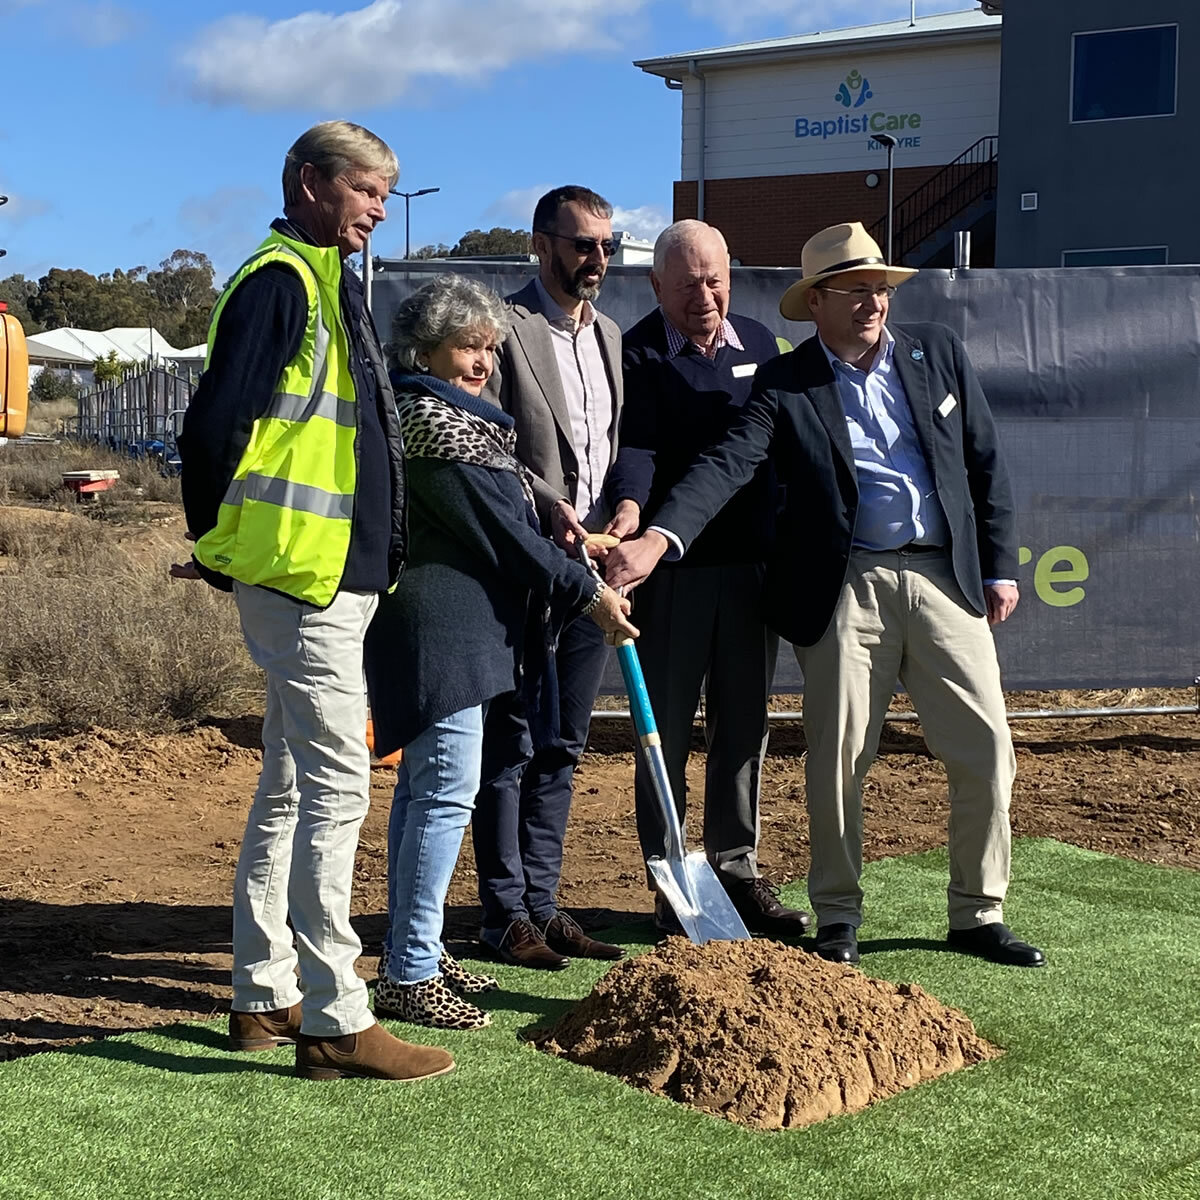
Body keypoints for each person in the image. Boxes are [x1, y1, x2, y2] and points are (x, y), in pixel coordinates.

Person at [606, 221, 1045, 969]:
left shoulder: (935, 350)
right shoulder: (786, 382)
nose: (874, 301)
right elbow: (727, 463)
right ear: (817, 303)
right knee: (838, 757)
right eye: (856, 289)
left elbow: (985, 464)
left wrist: (999, 566)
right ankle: (837, 913)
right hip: (847, 586)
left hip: (946, 577)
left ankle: (978, 913)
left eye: (880, 287)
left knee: (987, 750)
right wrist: (657, 537)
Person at [176, 121, 455, 1084]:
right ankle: (336, 1014)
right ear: (310, 183)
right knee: (339, 784)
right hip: (305, 582)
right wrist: (215, 541)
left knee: (292, 785)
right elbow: (212, 425)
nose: (380, 208)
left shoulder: (325, 280)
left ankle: (264, 996)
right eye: (369, 190)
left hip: (325, 578)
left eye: (385, 191)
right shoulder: (281, 283)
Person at [363, 274, 637, 1028]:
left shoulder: (460, 420)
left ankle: (412, 950)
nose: (481, 362)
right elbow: (505, 538)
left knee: (428, 794)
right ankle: (410, 971)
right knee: (444, 793)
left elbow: (516, 511)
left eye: (487, 347)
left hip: (457, 632)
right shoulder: (432, 423)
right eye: (466, 347)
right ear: (424, 350)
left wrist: (555, 517)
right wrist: (590, 594)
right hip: (440, 634)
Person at [613, 219, 810, 938]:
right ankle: (671, 880)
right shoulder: (633, 353)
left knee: (744, 727)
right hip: (669, 574)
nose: (706, 295)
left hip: (751, 570)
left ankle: (738, 871)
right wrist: (634, 510)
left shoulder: (761, 343)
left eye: (717, 278)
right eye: (690, 282)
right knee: (660, 730)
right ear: (657, 283)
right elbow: (634, 445)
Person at [472, 185, 640, 969]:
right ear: (541, 245)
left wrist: (624, 512)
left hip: (592, 574)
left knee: (563, 744)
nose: (597, 260)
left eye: (607, 245)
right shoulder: (502, 328)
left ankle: (543, 902)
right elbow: (492, 449)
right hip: (523, 568)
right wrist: (555, 512)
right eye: (582, 245)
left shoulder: (609, 333)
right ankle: (502, 913)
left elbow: (613, 447)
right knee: (507, 743)